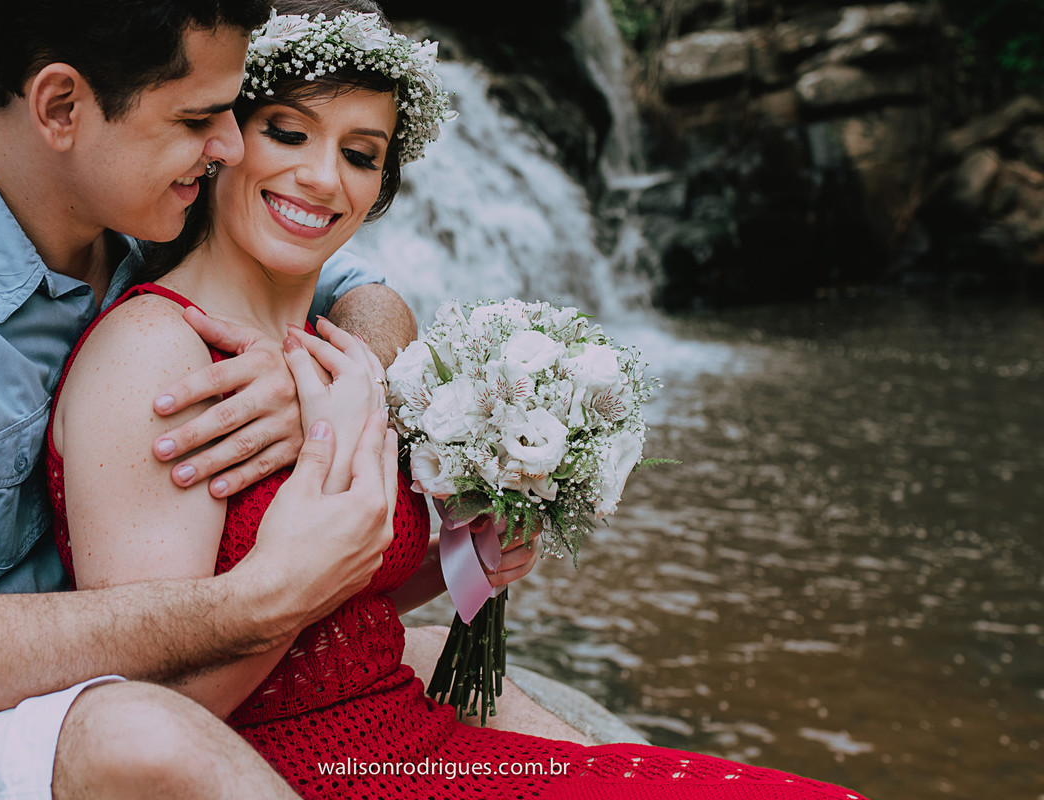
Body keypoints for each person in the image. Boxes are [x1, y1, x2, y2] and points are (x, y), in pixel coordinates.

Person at [50, 3, 874, 798]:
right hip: (281, 773)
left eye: (361, 154)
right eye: (289, 133)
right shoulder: (161, 354)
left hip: (412, 743)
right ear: (223, 139)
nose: (322, 177)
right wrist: (298, 566)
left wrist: (464, 561)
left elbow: (343, 624)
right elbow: (157, 713)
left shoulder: (341, 343)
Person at [0, 1, 422, 798]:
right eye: (198, 119)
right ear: (61, 107)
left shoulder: (141, 198)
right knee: (147, 736)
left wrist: (331, 378)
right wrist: (260, 598)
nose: (227, 146)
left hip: (137, 682)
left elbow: (363, 291)